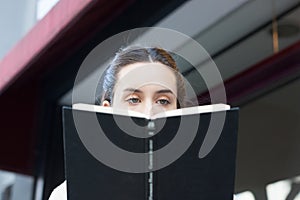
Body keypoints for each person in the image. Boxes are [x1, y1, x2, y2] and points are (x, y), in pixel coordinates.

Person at [49, 46, 188, 200]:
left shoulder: (200, 185)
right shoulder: (67, 194)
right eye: (134, 99)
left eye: (163, 101)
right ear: (108, 110)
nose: (149, 112)